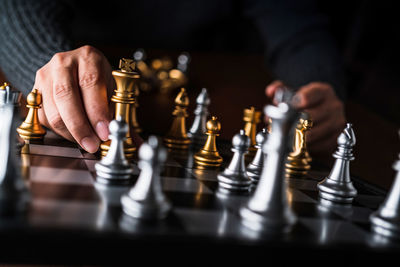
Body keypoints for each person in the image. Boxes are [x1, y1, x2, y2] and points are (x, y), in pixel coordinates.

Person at [0, 0, 346, 157]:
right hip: (83, 72)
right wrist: (44, 62)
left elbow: (298, 26)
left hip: (213, 85)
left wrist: (317, 87)